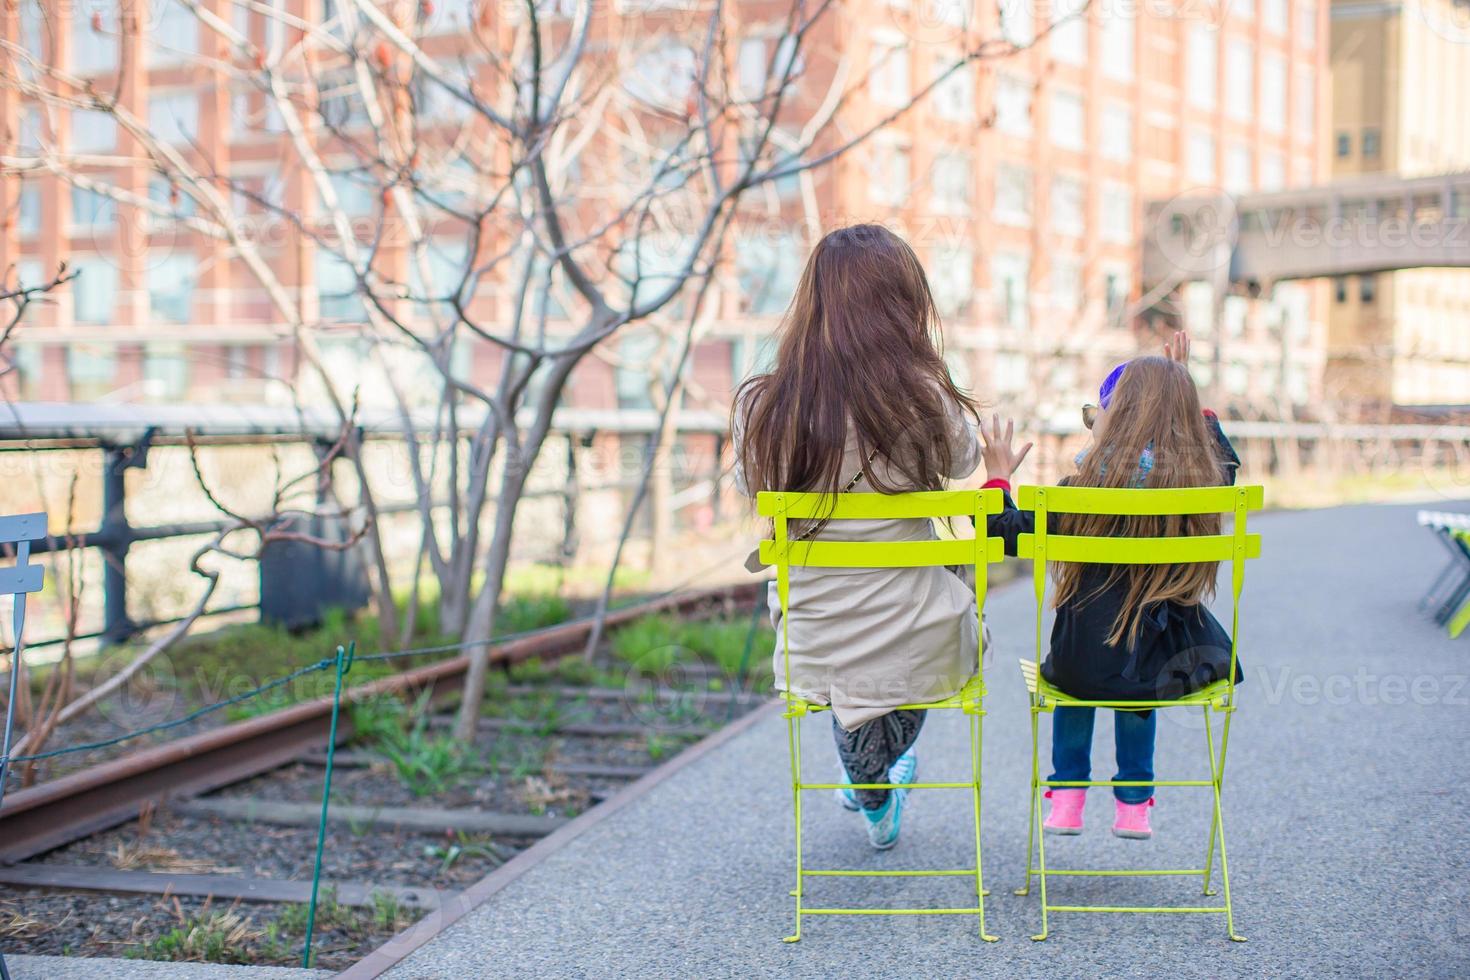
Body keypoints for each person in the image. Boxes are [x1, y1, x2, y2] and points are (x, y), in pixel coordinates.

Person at [731, 224, 986, 850]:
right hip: (920, 632)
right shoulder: (922, 395)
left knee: (853, 677)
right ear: (905, 306)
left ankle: (868, 777)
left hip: (818, 636)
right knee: (951, 601)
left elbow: (748, 483)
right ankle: (874, 777)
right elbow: (966, 460)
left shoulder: (766, 404)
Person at [980, 334, 1242, 840]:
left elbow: (1000, 535)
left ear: (1113, 420)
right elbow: (1225, 465)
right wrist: (1186, 393)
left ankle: (1069, 796)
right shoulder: (1200, 489)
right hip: (1166, 667)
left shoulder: (1082, 494)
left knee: (1072, 680)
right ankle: (1134, 803)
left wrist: (998, 481)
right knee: (1135, 681)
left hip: (1081, 665)